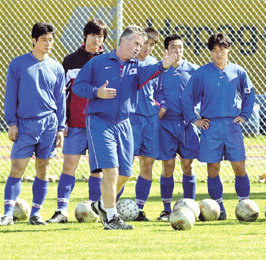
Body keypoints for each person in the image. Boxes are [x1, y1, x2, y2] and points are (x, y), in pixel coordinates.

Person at [73, 25, 176, 230]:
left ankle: (102, 204)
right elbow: (78, 86)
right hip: (100, 121)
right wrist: (96, 93)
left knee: (126, 174)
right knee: (110, 170)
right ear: (123, 41)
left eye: (142, 44)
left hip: (124, 124)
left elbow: (149, 71)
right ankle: (111, 217)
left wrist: (162, 65)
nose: (139, 48)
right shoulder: (98, 62)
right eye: (136, 43)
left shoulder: (135, 67)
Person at [182, 33, 255, 220]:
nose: (219, 53)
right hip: (210, 126)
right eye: (214, 50)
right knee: (213, 169)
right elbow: (187, 96)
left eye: (222, 49)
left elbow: (249, 94)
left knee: (239, 167)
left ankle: (244, 204)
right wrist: (194, 118)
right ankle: (219, 208)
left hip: (232, 125)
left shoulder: (238, 72)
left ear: (228, 49)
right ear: (211, 52)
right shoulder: (202, 73)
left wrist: (244, 115)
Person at [0, 22, 66, 226]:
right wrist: (12, 122)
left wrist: (61, 128)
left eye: (51, 40)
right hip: (25, 124)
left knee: (43, 169)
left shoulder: (56, 67)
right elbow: (10, 96)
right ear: (33, 40)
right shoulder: (18, 64)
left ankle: (36, 213)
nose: (48, 43)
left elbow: (60, 100)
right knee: (17, 167)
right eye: (44, 39)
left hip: (49, 124)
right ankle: (7, 214)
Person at [46, 19, 108, 224]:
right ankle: (61, 210)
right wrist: (62, 123)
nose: (96, 40)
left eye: (100, 36)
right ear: (85, 36)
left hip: (100, 123)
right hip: (76, 123)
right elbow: (61, 95)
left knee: (97, 170)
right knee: (68, 166)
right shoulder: (71, 60)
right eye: (93, 35)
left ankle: (93, 209)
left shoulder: (109, 61)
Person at [155, 34, 200, 221]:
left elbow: (201, 94)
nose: (177, 50)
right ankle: (166, 209)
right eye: (173, 47)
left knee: (188, 166)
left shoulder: (193, 70)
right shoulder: (160, 70)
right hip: (166, 124)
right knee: (168, 166)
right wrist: (161, 105)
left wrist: (195, 112)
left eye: (180, 47)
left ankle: (189, 205)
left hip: (187, 124)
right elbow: (153, 93)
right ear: (166, 50)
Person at [130, 27, 161, 221]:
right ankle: (110, 206)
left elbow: (161, 91)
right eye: (145, 44)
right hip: (130, 119)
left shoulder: (156, 65)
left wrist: (160, 105)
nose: (147, 48)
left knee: (147, 164)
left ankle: (140, 208)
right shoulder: (128, 62)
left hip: (150, 120)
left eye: (151, 45)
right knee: (124, 165)